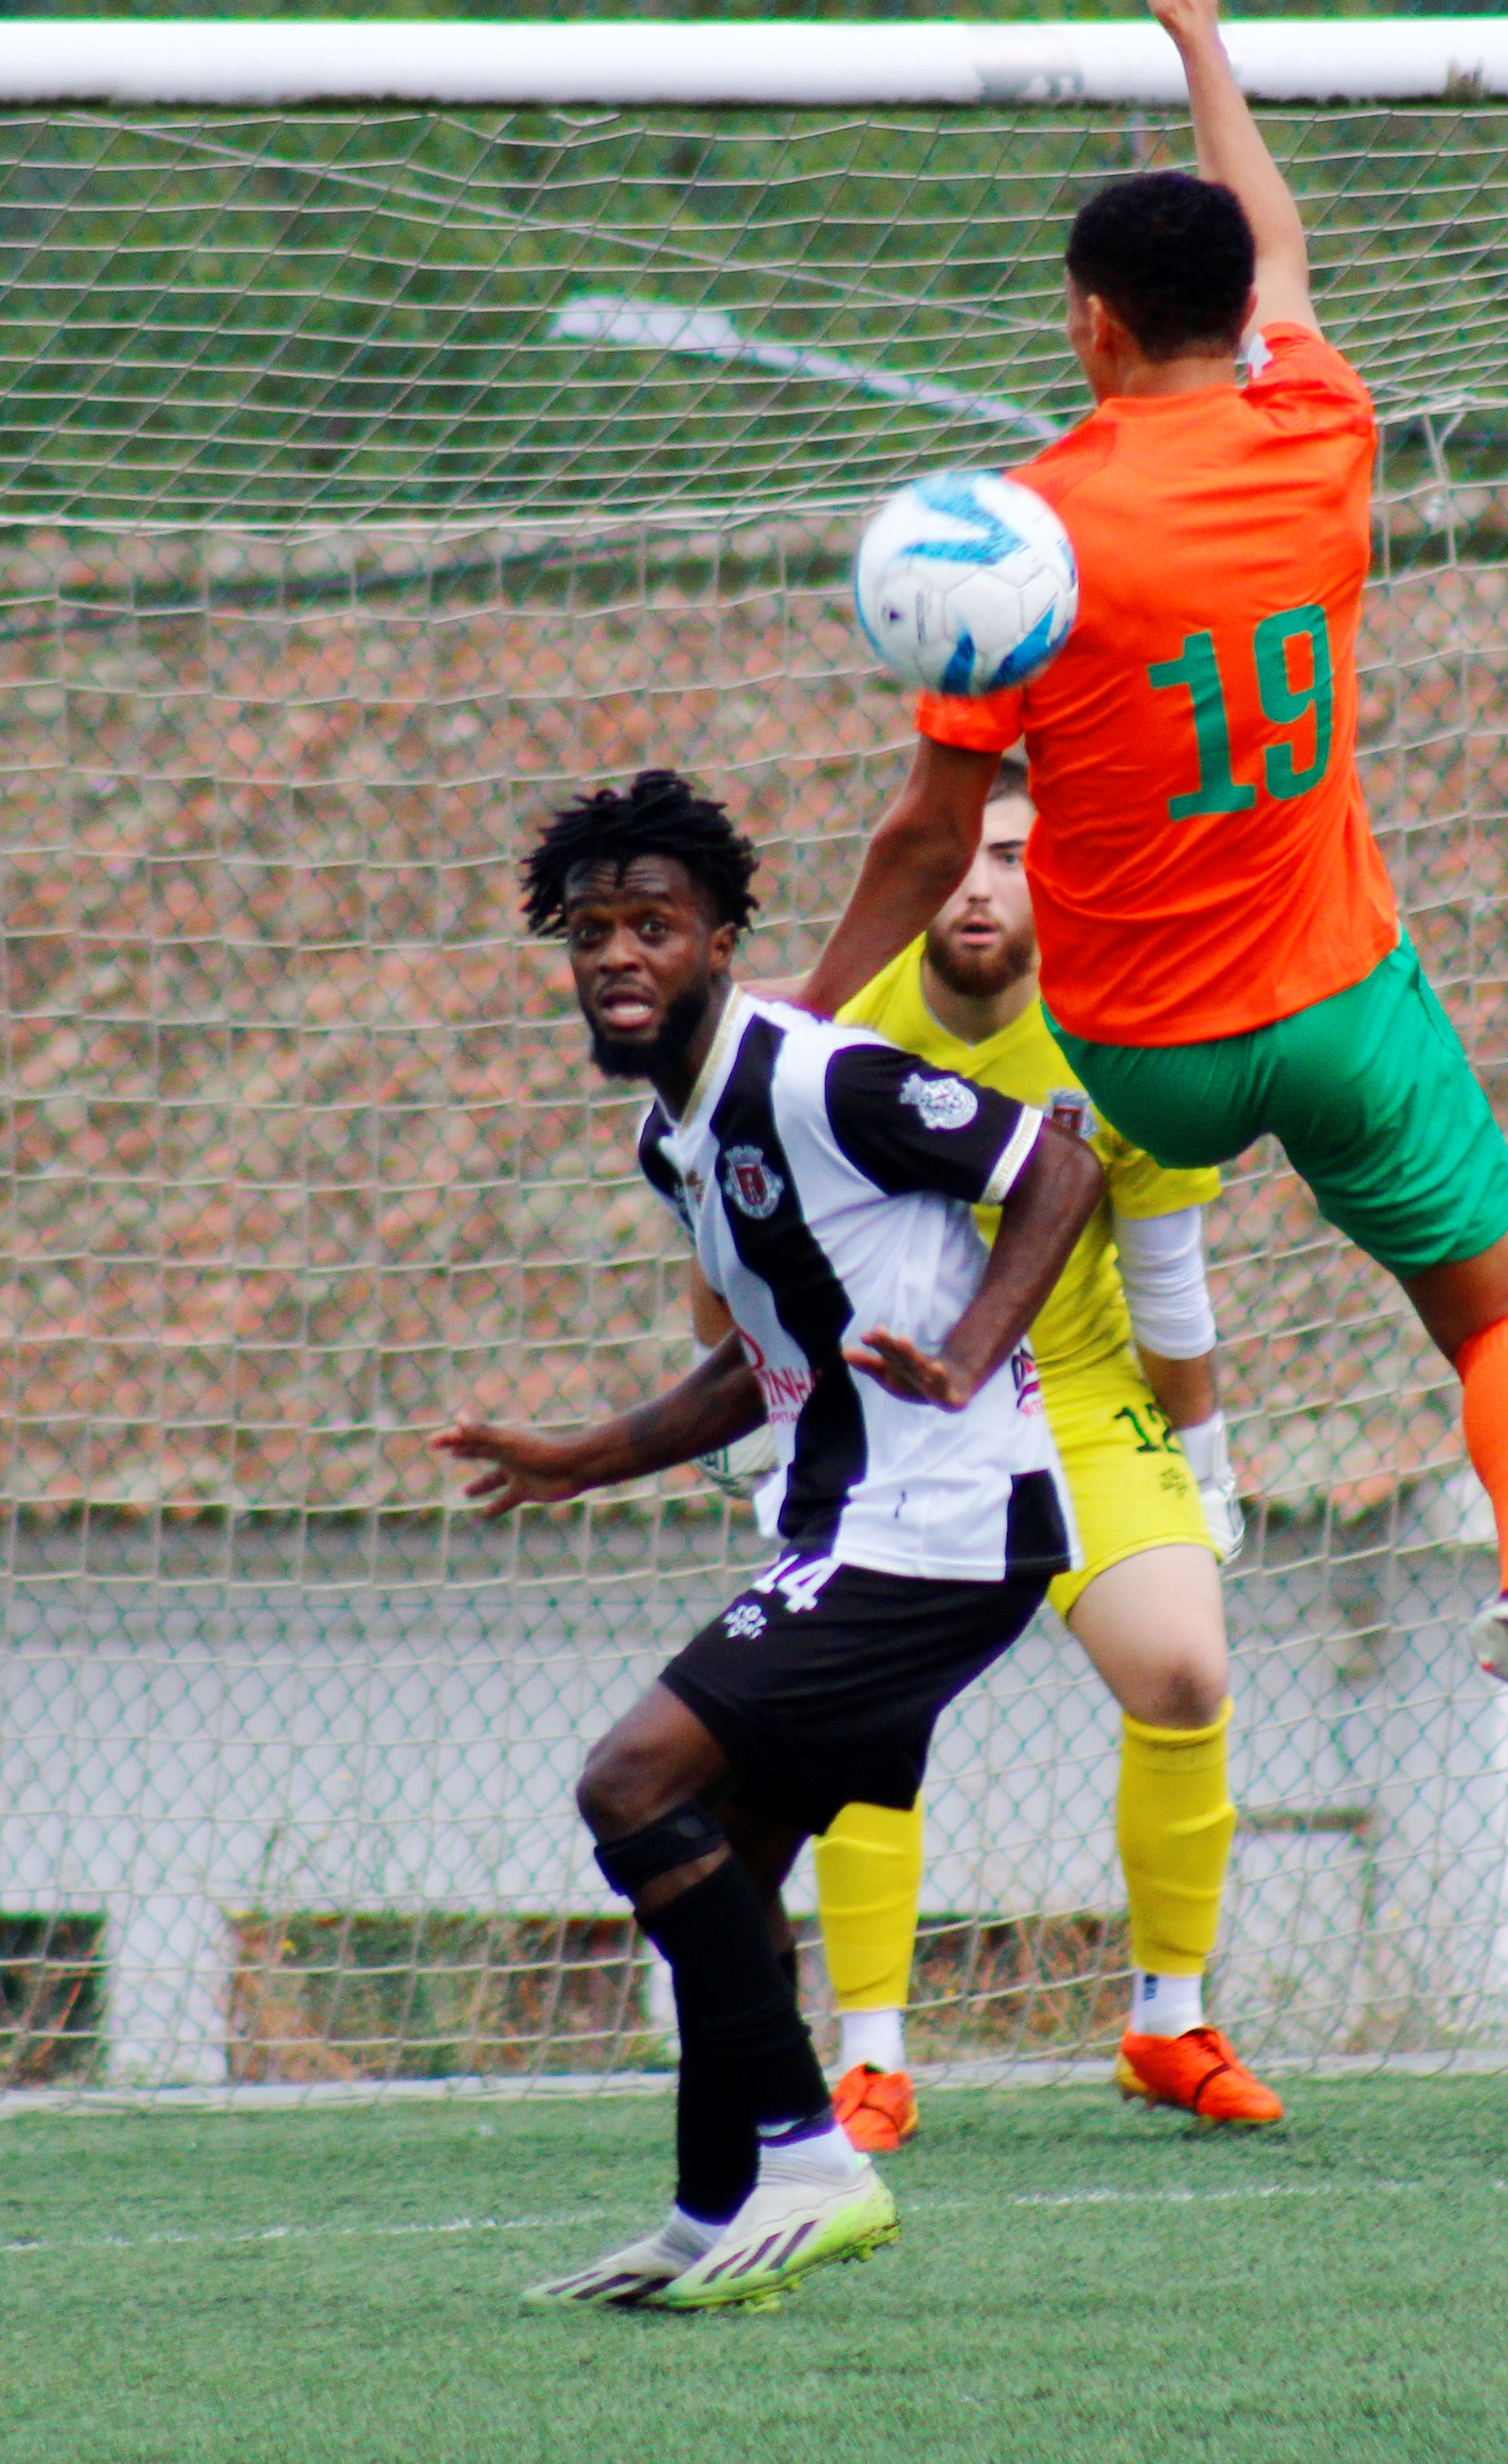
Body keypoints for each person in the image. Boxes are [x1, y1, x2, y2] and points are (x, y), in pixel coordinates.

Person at [795, 0, 1508, 1825]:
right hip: (1342, 1006)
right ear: (1236, 326)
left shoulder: (1027, 532)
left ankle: (957, 1479)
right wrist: (1199, 31)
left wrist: (785, 1031)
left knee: (1057, 1250)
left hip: (1135, 1047)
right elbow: (1277, 242)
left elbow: (929, 837)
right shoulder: (1325, 421)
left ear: (1092, 327)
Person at [437, 771, 1106, 2307]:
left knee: (627, 1781)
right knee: (726, 1865)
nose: (617, 954)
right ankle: (712, 2209)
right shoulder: (674, 1146)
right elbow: (764, 1358)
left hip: (941, 1526)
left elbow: (1056, 1169)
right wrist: (579, 1458)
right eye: (591, 930)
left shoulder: (815, 1075)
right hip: (857, 1527)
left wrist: (972, 1345)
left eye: (653, 925)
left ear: (724, 937)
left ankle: (812, 2159)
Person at [802, 760, 1280, 2144]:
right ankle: (873, 2055)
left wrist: (1209, 1458)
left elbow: (1171, 1283)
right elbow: (729, 1225)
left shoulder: (1127, 1038)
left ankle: (1166, 2023)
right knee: (859, 1707)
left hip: (1074, 1391)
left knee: (1186, 1669)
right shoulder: (835, 1040)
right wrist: (763, 1409)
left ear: (1056, 878)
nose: (980, 883)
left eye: (1013, 855)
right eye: (957, 855)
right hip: (898, 1414)